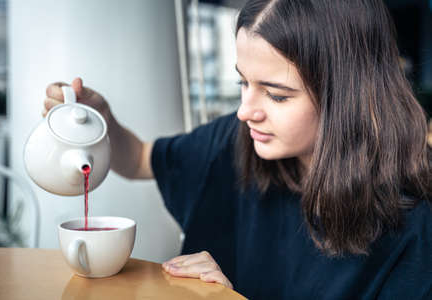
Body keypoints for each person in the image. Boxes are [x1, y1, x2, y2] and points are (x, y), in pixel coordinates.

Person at [43, 0, 432, 298]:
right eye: (242, 84)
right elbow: (141, 159)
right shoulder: (234, 139)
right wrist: (104, 122)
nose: (246, 112)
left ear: (349, 95)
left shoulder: (415, 227)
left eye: (277, 96)